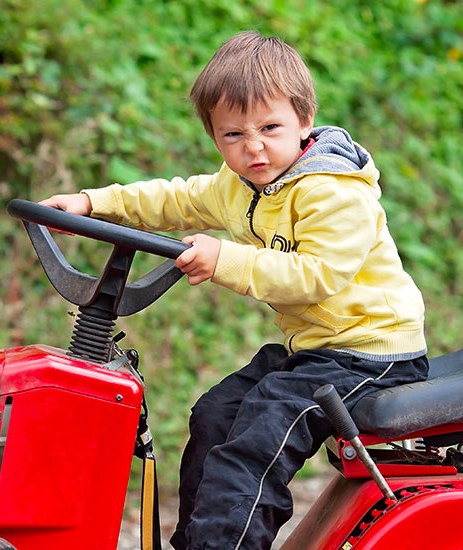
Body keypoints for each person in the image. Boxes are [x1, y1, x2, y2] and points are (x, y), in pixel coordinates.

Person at [39, 31, 427, 550]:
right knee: (215, 415)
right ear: (215, 138)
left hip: (372, 353)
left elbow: (318, 276)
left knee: (256, 443)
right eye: (233, 135)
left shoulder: (334, 191)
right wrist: (92, 203)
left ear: (304, 120)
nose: (254, 147)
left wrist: (225, 258)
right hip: (315, 351)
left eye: (270, 127)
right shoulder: (239, 184)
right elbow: (175, 198)